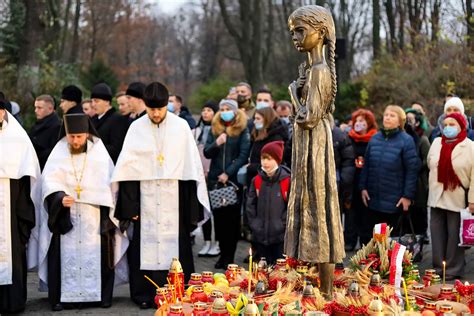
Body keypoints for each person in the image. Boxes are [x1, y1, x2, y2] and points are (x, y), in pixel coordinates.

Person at [113, 82, 210, 309]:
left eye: (160, 109)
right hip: (144, 201)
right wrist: (130, 207)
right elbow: (127, 171)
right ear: (145, 106)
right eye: (151, 109)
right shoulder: (136, 128)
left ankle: (178, 292)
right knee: (143, 248)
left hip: (174, 200)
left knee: (176, 246)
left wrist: (190, 210)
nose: (155, 114)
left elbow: (190, 171)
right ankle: (144, 294)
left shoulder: (181, 127)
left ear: (167, 105)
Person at [37, 113, 127, 311]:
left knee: (100, 254)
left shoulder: (100, 154)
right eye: (72, 137)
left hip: (94, 217)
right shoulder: (59, 152)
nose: (75, 141)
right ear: (66, 134)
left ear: (87, 134)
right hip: (65, 216)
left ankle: (100, 297)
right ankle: (61, 298)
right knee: (63, 256)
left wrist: (98, 199)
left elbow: (110, 187)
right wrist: (59, 197)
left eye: (79, 136)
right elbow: (48, 183)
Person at [285, 5, 345, 296]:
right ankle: (310, 276)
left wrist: (293, 95)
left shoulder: (320, 71)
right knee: (307, 206)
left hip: (315, 147)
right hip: (307, 145)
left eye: (300, 30)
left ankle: (327, 289)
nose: (295, 37)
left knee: (318, 208)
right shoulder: (311, 69)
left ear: (320, 33)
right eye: (293, 31)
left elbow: (307, 117)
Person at [0, 99, 40, 314]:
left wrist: (24, 215)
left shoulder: (18, 138)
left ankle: (13, 302)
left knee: (13, 253)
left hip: (11, 206)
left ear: (3, 112)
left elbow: (28, 179)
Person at [204, 99, 250, 269]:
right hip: (216, 182)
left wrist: (228, 172)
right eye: (222, 109)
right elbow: (207, 153)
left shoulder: (242, 130)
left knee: (232, 222)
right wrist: (217, 143)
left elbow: (243, 155)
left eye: (227, 109)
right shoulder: (214, 129)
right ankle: (222, 255)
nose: (224, 111)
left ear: (235, 112)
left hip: (232, 182)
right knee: (220, 221)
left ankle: (230, 256)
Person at [427, 112, 474, 280]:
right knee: (437, 233)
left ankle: (454, 268)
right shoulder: (436, 142)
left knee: (455, 234)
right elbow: (430, 164)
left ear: (462, 126)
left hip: (458, 197)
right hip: (436, 196)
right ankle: (439, 267)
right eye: (445, 124)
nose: (448, 128)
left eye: (452, 124)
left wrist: (472, 200)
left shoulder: (470, 146)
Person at [360, 105, 420, 234]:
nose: (387, 118)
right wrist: (363, 187)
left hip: (395, 201)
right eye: (386, 115)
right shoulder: (375, 138)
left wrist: (407, 196)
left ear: (400, 121)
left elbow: (412, 170)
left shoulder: (406, 141)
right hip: (373, 199)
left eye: (392, 115)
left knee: (392, 243)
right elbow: (367, 166)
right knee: (375, 241)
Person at [246, 141, 290, 264]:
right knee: (261, 272)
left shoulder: (287, 181)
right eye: (262, 158)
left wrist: (282, 224)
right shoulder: (257, 180)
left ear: (277, 160)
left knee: (279, 270)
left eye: (269, 159)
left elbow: (291, 207)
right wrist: (255, 224)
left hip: (279, 238)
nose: (265, 162)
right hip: (260, 236)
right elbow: (250, 205)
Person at [345, 109, 378, 248]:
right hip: (352, 179)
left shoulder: (375, 138)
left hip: (368, 179)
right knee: (351, 211)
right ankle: (350, 241)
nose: (359, 124)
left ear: (368, 123)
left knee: (366, 211)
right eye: (356, 121)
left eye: (362, 121)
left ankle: (366, 241)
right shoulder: (348, 138)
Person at [194, 100, 221, 257]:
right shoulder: (196, 131)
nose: (205, 113)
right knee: (203, 209)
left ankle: (216, 243)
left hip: (214, 174)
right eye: (203, 110)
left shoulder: (218, 131)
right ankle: (206, 242)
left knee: (215, 210)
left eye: (209, 110)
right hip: (200, 175)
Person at [405, 108, 431, 241]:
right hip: (405, 179)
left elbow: (427, 160)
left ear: (417, 122)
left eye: (410, 120)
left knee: (420, 210)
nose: (408, 122)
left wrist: (415, 166)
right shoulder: (404, 138)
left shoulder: (423, 139)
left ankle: (422, 235)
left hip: (419, 181)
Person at [246, 107, 289, 186]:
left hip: (267, 180)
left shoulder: (275, 138)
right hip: (257, 176)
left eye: (258, 119)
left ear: (266, 119)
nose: (255, 122)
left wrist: (252, 167)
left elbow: (274, 162)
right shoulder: (259, 134)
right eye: (254, 118)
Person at [330, 116, 355, 245]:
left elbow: (348, 161)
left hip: (335, 181)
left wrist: (344, 181)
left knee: (335, 216)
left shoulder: (340, 136)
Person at [90, 83, 129, 163]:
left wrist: (92, 146)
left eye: (96, 101)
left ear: (107, 102)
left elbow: (116, 149)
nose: (93, 104)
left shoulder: (118, 120)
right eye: (92, 101)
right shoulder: (93, 119)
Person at [29, 94, 61, 170]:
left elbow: (54, 152)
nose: (36, 111)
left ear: (50, 108)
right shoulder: (37, 125)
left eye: (39, 108)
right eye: (35, 107)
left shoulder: (57, 127)